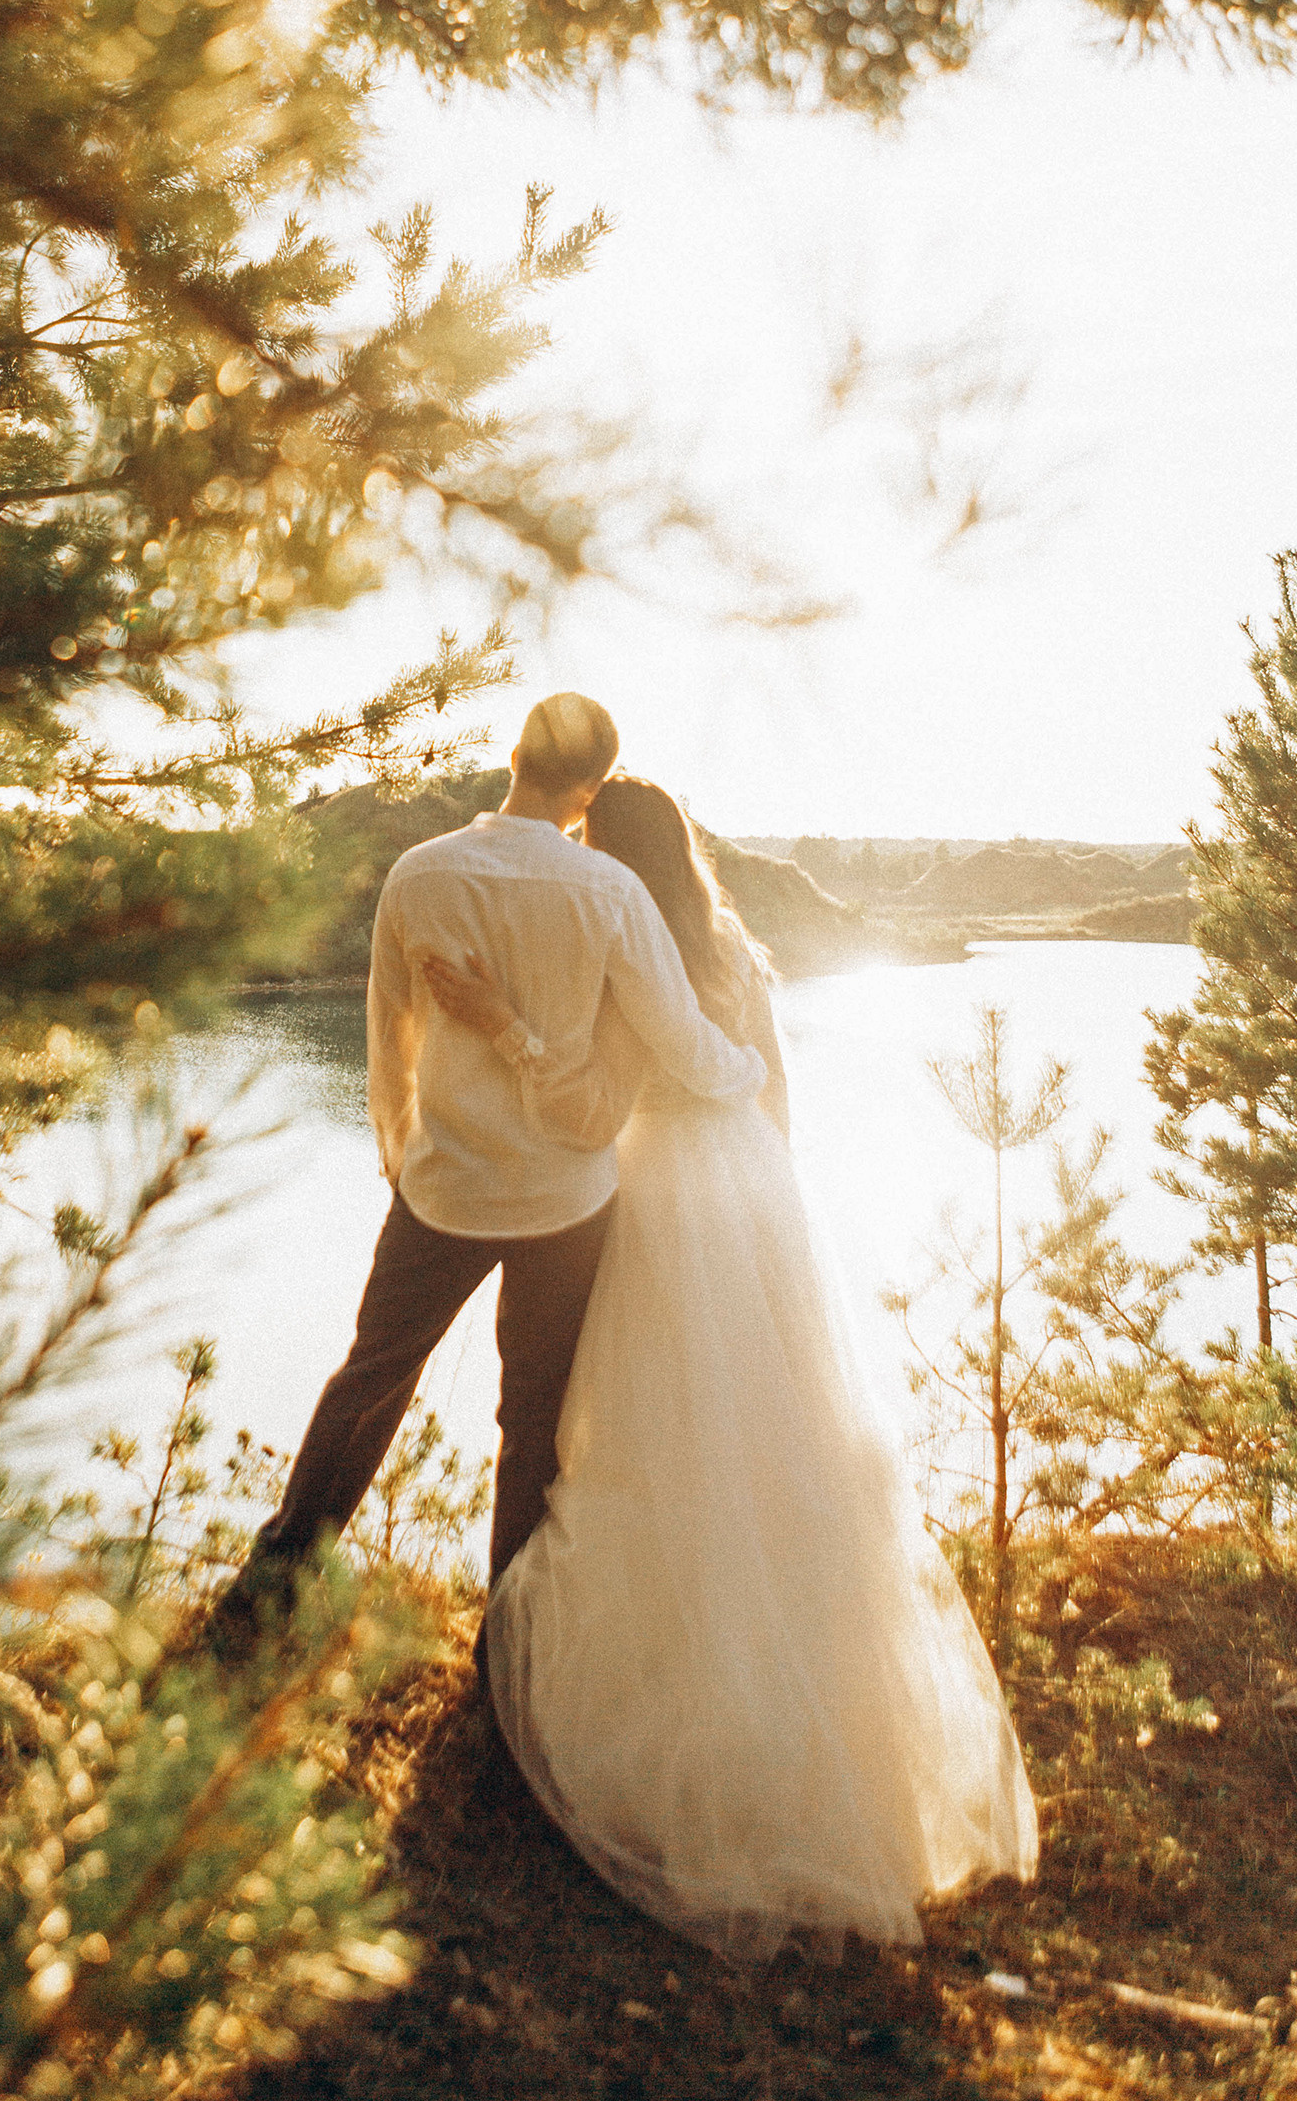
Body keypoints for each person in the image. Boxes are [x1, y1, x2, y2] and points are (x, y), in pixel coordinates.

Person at [421, 774, 1039, 1961]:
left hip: (662, 1197)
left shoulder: (619, 943)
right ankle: (834, 1742)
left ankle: (675, 1722)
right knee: (784, 1450)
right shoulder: (736, 947)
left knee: (644, 1444)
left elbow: (594, 1101)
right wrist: (774, 1203)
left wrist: (497, 1022)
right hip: (758, 1194)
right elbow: (772, 1087)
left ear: (610, 853)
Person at [209, 694, 768, 1644]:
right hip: (565, 1201)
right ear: (589, 790)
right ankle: (508, 1636)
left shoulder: (419, 874)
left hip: (444, 1189)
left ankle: (272, 1587)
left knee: (371, 1378)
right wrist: (750, 1071)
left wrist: (401, 1155)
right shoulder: (611, 893)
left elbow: (391, 1033)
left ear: (513, 756)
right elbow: (680, 1042)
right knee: (531, 1415)